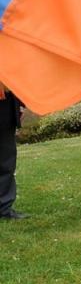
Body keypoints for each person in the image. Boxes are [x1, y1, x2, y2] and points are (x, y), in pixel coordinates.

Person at [0, 82, 25, 219]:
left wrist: (20, 104)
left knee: (6, 160)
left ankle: (4, 208)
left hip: (6, 104)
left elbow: (17, 75)